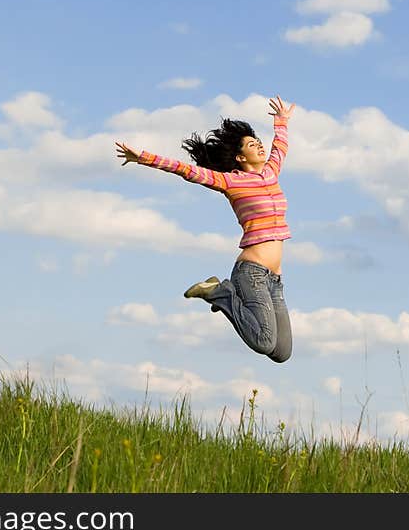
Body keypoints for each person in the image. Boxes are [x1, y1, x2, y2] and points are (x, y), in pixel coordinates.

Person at [115, 95, 296, 363]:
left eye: (258, 141)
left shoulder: (271, 171)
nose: (259, 145)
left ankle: (220, 293)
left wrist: (281, 121)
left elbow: (280, 146)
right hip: (252, 273)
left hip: (274, 280)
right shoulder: (229, 182)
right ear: (239, 157)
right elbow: (185, 170)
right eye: (251, 144)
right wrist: (144, 158)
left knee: (281, 352)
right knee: (263, 341)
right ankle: (218, 293)